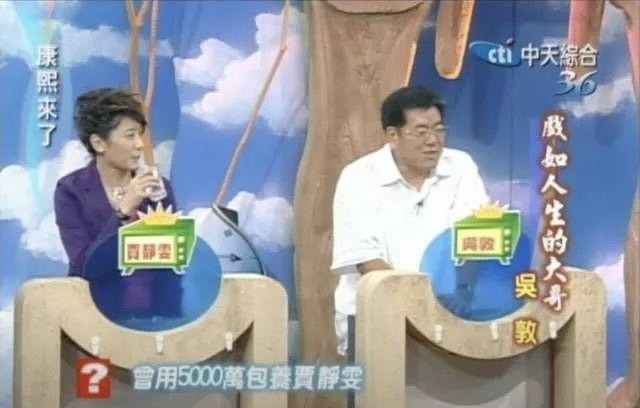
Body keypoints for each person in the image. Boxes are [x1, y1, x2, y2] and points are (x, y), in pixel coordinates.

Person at [331, 86, 489, 355]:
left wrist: (452, 302)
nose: (433, 141)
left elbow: (473, 237)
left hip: (450, 315)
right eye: (421, 131)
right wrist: (419, 308)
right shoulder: (358, 177)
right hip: (378, 317)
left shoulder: (460, 167)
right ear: (393, 135)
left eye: (439, 130)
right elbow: (365, 258)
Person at [54, 87, 176, 278]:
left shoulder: (157, 187)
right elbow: (83, 266)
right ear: (99, 143)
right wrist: (123, 212)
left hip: (149, 293)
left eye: (140, 134)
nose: (140, 144)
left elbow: (171, 258)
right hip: (91, 294)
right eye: (130, 135)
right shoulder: (70, 191)